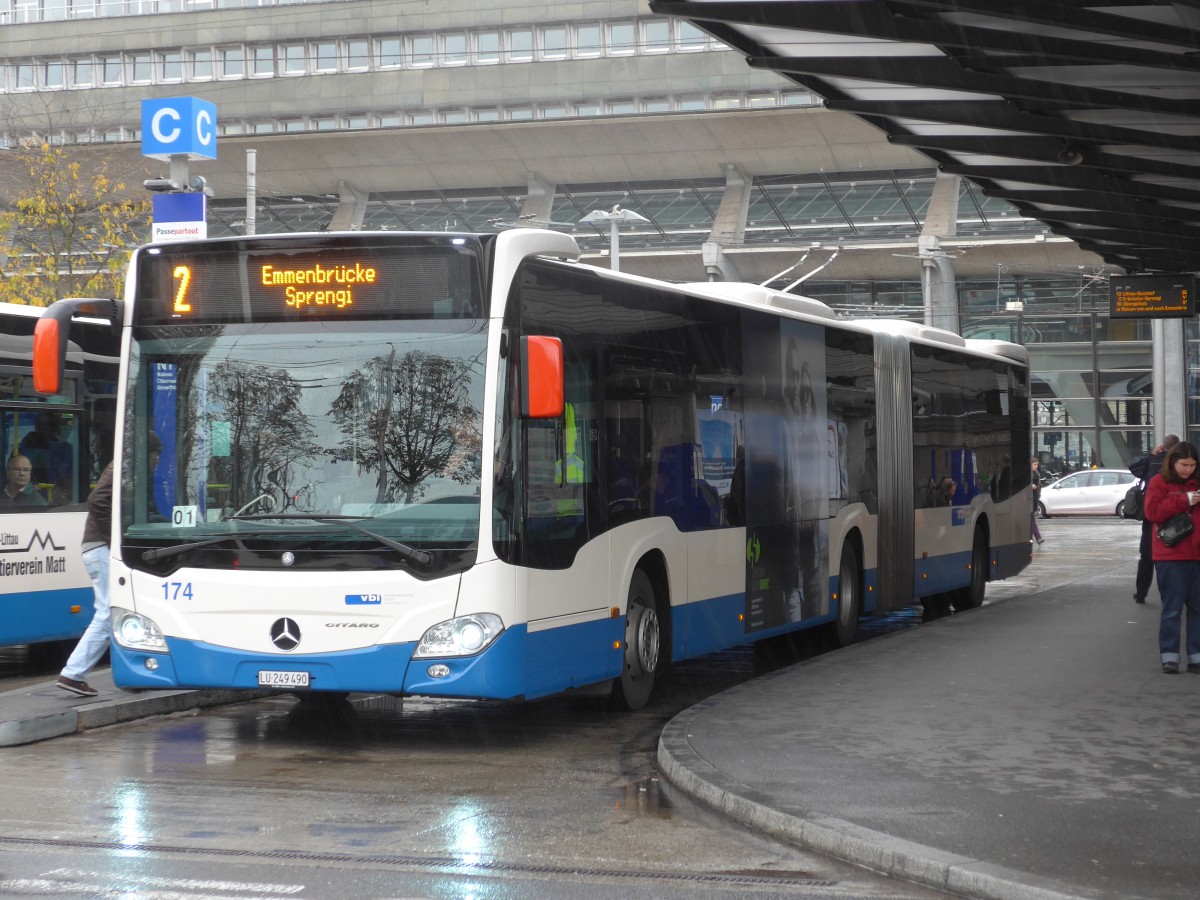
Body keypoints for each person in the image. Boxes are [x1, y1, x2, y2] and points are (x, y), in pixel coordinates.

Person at [56, 432, 162, 697]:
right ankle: (73, 674)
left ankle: (133, 674)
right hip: (101, 549)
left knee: (126, 610)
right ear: (144, 452)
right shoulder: (121, 468)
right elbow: (97, 501)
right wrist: (115, 539)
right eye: (155, 454)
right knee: (107, 612)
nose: (157, 461)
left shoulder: (128, 470)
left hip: (100, 548)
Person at [1142, 440, 1200, 675]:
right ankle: (1170, 657)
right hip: (1171, 555)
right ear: (1173, 462)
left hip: (1196, 555)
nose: (1188, 469)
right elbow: (1152, 512)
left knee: (1197, 609)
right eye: (1184, 465)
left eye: (1192, 465)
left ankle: (1196, 658)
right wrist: (1184, 500)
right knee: (1173, 609)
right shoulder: (1159, 482)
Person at [1130, 434, 1179, 604]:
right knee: (1173, 555)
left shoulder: (1154, 460)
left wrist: (1151, 455)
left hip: (1150, 515)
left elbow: (1133, 469)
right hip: (1173, 515)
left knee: (1147, 555)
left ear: (1163, 447)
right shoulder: (1179, 463)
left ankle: (1141, 593)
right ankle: (1171, 595)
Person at [1030, 457, 1044, 546]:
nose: (1036, 466)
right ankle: (1037, 537)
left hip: (1034, 500)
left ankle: (1031, 538)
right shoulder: (1029, 475)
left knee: (1030, 520)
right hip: (1029, 501)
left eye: (1037, 465)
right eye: (1034, 465)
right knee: (1031, 520)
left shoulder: (1036, 474)